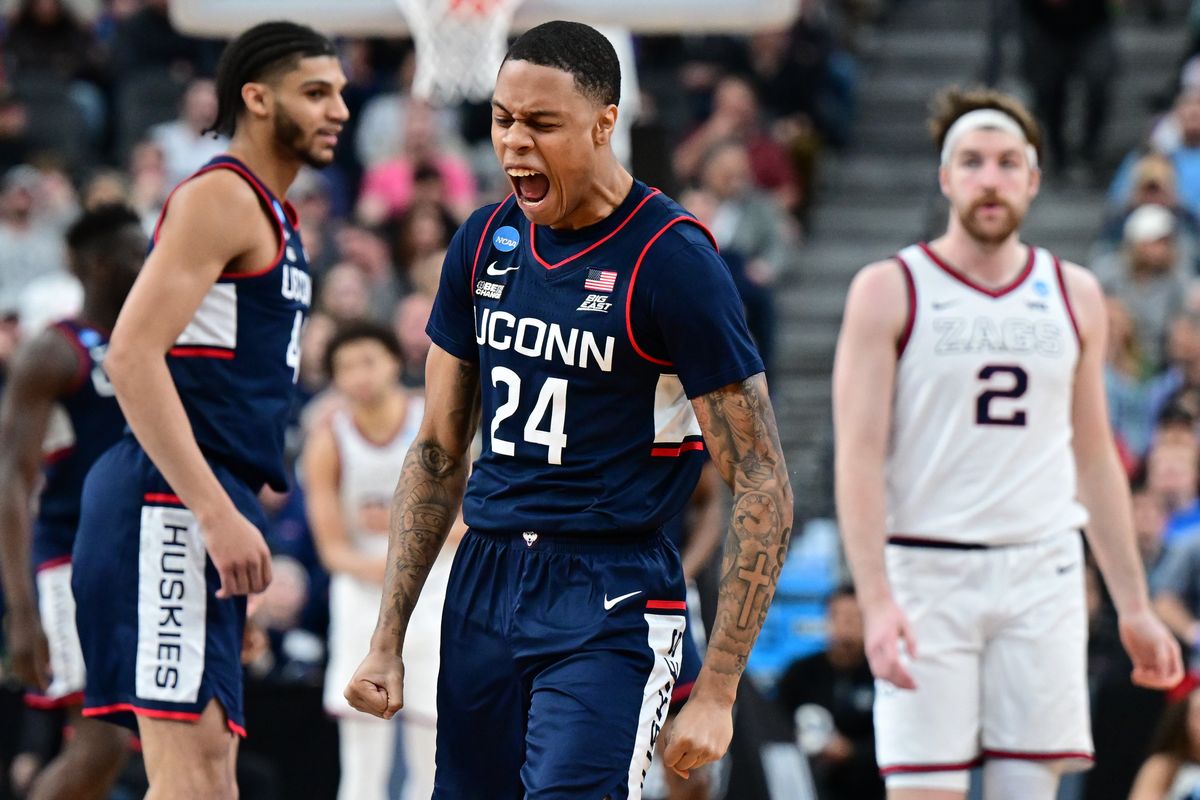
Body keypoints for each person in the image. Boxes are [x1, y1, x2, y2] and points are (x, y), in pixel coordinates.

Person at [345, 20, 793, 800]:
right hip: (483, 575)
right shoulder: (483, 242)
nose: (515, 143)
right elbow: (439, 452)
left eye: (542, 123)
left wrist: (716, 693)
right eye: (503, 119)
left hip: (609, 585)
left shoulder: (673, 261)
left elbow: (762, 481)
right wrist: (389, 638)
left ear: (605, 121)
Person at [832, 86, 1183, 800]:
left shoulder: (1076, 293)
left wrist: (1136, 606)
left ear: (1033, 179)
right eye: (972, 162)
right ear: (945, 177)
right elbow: (858, 457)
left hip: (1041, 574)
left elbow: (1095, 458)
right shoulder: (888, 288)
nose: (989, 178)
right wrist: (874, 600)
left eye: (1006, 162)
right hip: (926, 571)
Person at [67, 21, 346, 799]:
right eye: (317, 93)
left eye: (342, 94)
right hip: (165, 500)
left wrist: (224, 522)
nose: (340, 111)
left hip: (190, 504)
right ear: (257, 99)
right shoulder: (221, 196)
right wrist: (214, 516)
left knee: (209, 779)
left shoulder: (277, 219)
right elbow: (128, 356)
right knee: (190, 780)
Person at [0, 204, 145, 800]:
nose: (151, 262)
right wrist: (23, 611)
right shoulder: (56, 351)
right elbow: (12, 481)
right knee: (101, 743)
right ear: (102, 265)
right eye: (139, 252)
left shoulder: (147, 343)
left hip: (136, 556)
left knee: (126, 746)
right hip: (70, 563)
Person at [302, 320, 453, 800]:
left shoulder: (434, 422)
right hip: (363, 596)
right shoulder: (328, 441)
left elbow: (471, 519)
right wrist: (401, 555)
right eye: (345, 367)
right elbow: (331, 549)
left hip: (434, 591)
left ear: (394, 361)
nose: (359, 375)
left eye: (368, 360)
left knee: (430, 743)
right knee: (362, 761)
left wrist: (402, 533)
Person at [776, 585, 882, 800]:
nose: (847, 626)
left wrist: (850, 751)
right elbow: (774, 724)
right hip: (806, 785)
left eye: (855, 618)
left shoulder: (880, 675)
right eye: (840, 617)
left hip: (867, 787)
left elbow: (893, 738)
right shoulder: (801, 672)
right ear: (827, 620)